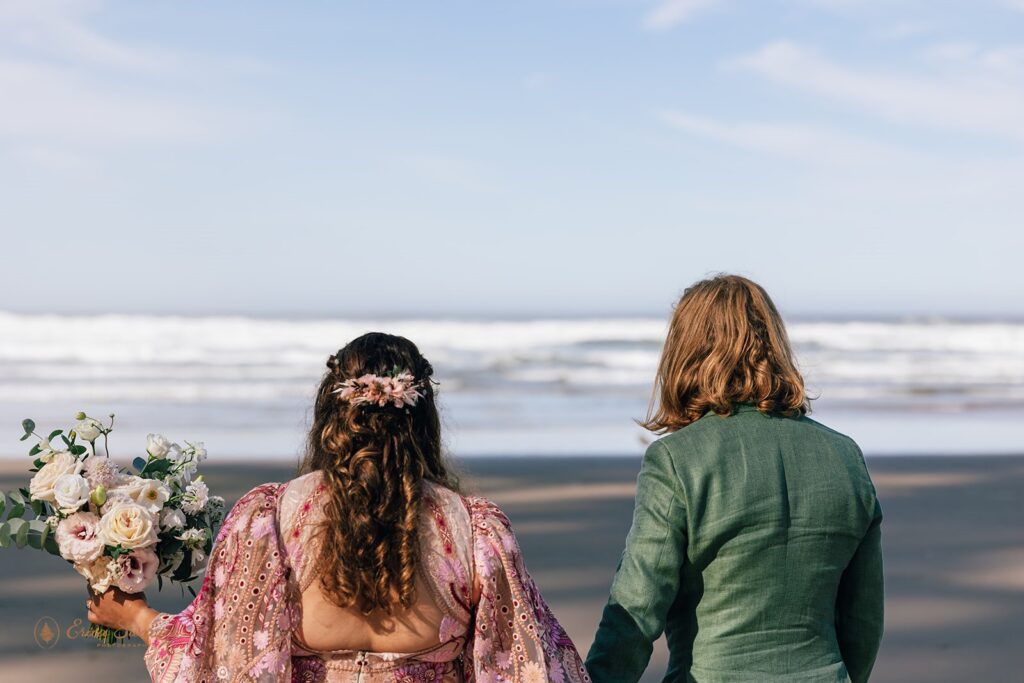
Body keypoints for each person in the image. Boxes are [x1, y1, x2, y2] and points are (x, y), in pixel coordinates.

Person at [87, 332, 589, 682]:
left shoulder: (269, 520)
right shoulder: (476, 532)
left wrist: (137, 618)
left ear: (331, 413)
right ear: (423, 418)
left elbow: (216, 655)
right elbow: (528, 666)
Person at [586, 275, 884, 683]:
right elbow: (862, 620)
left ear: (684, 353)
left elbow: (636, 609)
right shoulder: (845, 456)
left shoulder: (677, 460)